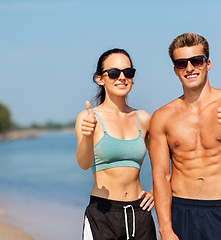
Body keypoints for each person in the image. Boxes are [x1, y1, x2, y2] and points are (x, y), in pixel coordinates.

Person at [149, 33, 221, 240]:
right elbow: (161, 176)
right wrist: (165, 229)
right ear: (175, 70)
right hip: (181, 213)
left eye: (196, 61)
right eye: (182, 63)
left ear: (208, 63)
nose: (190, 68)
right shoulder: (162, 117)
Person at [75, 48, 157, 240]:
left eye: (128, 73)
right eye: (114, 73)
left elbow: (165, 163)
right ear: (100, 79)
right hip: (102, 215)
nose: (122, 78)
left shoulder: (143, 118)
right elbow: (84, 163)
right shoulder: (88, 117)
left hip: (140, 213)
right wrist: (88, 135)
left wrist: (155, 191)